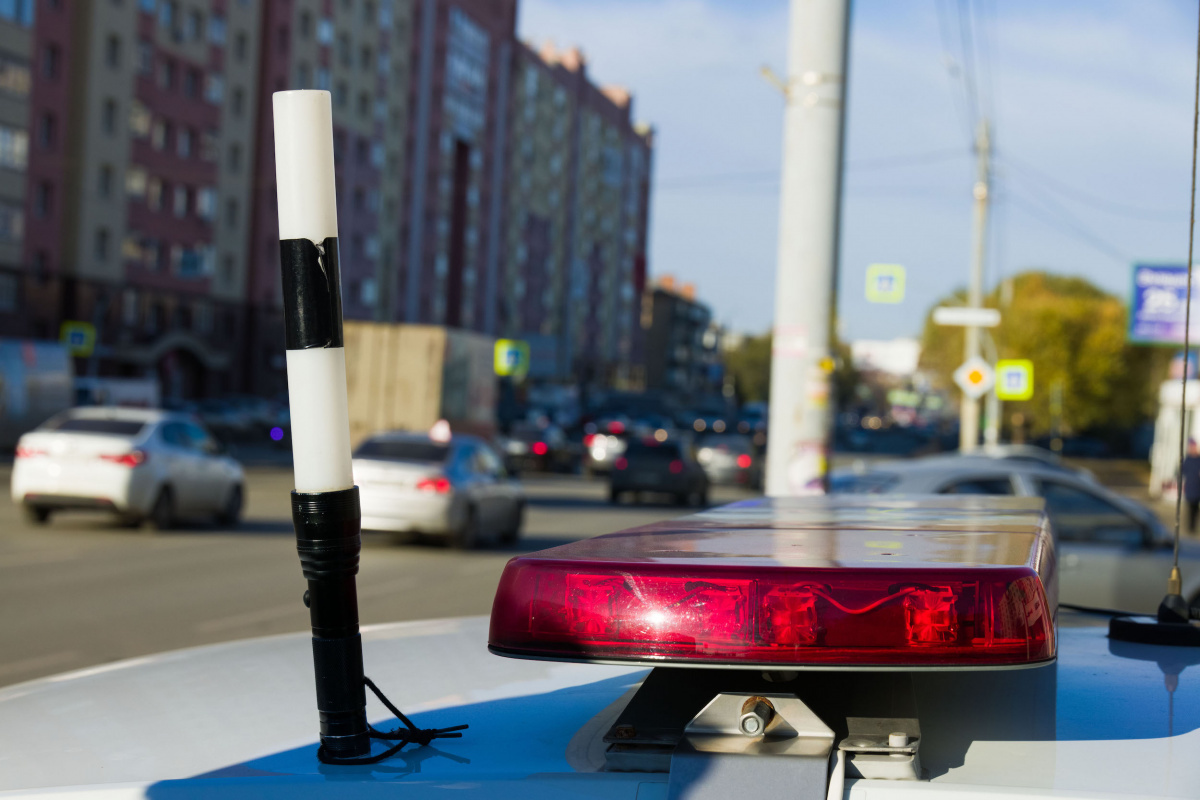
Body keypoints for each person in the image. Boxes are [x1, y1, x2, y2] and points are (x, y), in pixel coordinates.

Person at [1183, 439, 1200, 534]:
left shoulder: (1198, 459)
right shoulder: (1187, 459)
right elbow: (1182, 470)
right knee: (1191, 508)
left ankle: (1193, 526)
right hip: (1190, 487)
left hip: (1198, 488)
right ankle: (1190, 527)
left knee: (1195, 509)